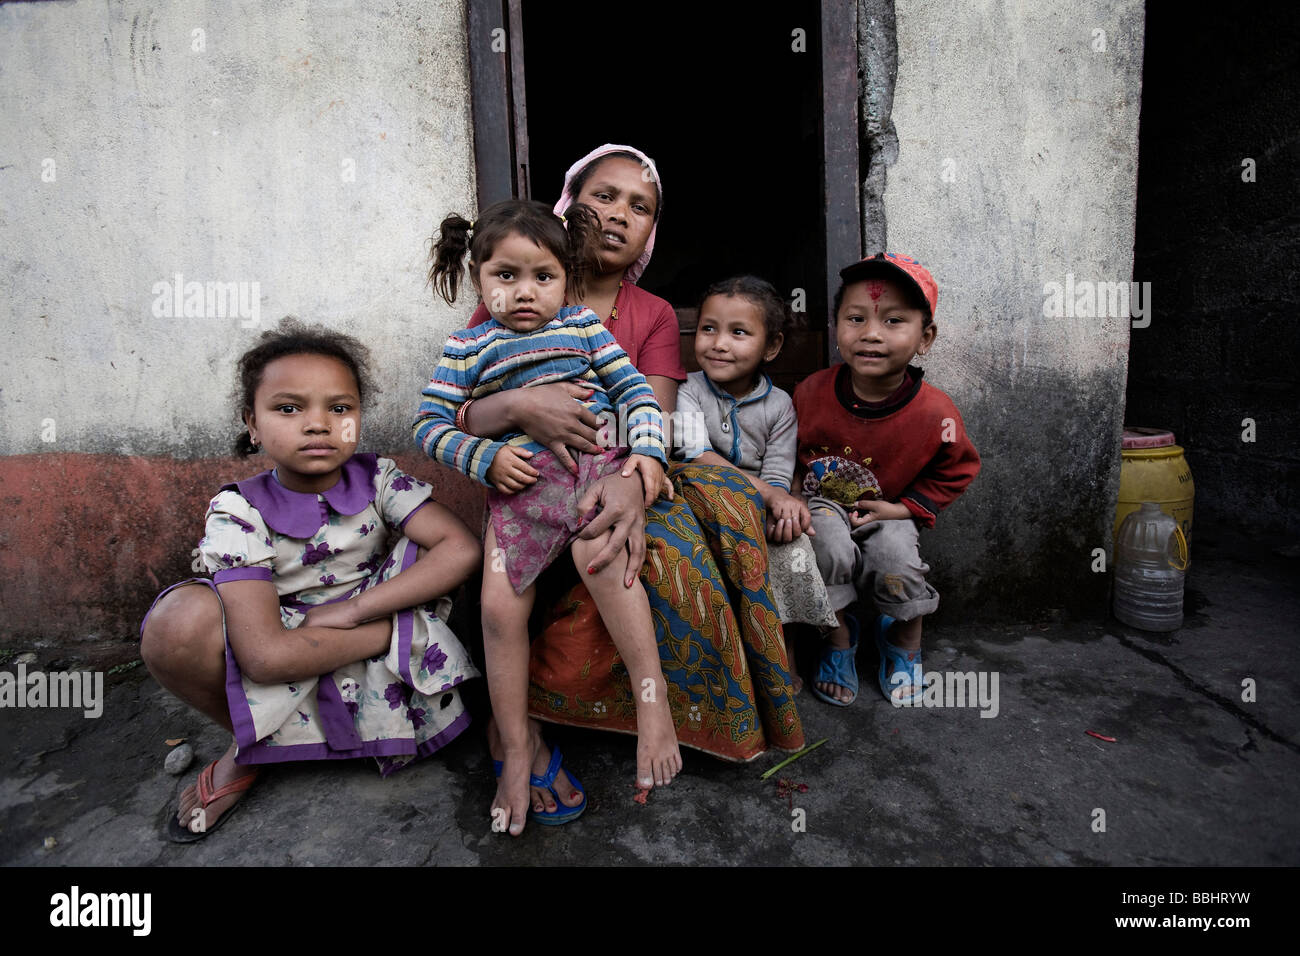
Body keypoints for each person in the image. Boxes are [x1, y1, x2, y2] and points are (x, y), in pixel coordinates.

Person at [459, 144, 805, 764]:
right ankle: (524, 728)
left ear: (651, 231)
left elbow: (660, 418)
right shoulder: (514, 295)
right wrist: (519, 408)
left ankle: (662, 705)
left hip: (621, 469)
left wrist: (630, 483)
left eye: (639, 206)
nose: (619, 214)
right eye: (604, 196)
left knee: (668, 545)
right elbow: (463, 413)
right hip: (525, 481)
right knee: (498, 591)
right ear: (568, 206)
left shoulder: (653, 315)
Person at [139, 319, 481, 841]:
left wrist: (355, 611)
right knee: (174, 625)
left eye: (339, 408)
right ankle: (250, 746)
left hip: (373, 636)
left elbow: (462, 548)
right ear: (251, 424)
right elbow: (265, 657)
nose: (318, 424)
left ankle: (319, 731)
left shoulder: (380, 479)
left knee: (434, 547)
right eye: (288, 408)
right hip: (316, 642)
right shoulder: (238, 509)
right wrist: (387, 630)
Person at [416, 198, 682, 835]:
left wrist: (643, 455)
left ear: (567, 277)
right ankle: (513, 749)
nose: (525, 292)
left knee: (605, 560)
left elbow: (638, 395)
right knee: (498, 612)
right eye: (505, 276)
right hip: (522, 494)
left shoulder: (588, 331)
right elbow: (429, 427)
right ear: (477, 278)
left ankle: (654, 701)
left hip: (594, 472)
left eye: (544, 277)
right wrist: (482, 457)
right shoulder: (465, 347)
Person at [796, 253, 980, 706]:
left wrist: (904, 509)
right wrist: (794, 493)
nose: (871, 334)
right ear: (837, 325)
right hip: (823, 503)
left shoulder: (936, 412)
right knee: (825, 547)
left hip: (891, 505)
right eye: (855, 318)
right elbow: (789, 451)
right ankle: (839, 642)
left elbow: (958, 467)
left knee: (897, 560)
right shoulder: (810, 392)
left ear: (925, 338)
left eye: (894, 321)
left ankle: (903, 644)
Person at [674, 275, 839, 690]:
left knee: (790, 547)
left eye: (739, 332)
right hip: (701, 499)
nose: (719, 343)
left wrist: (779, 508)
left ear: (772, 346)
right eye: (708, 328)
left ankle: (784, 649)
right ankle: (723, 662)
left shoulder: (780, 405)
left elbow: (779, 473)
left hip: (759, 504)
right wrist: (770, 495)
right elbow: (696, 456)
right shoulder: (688, 390)